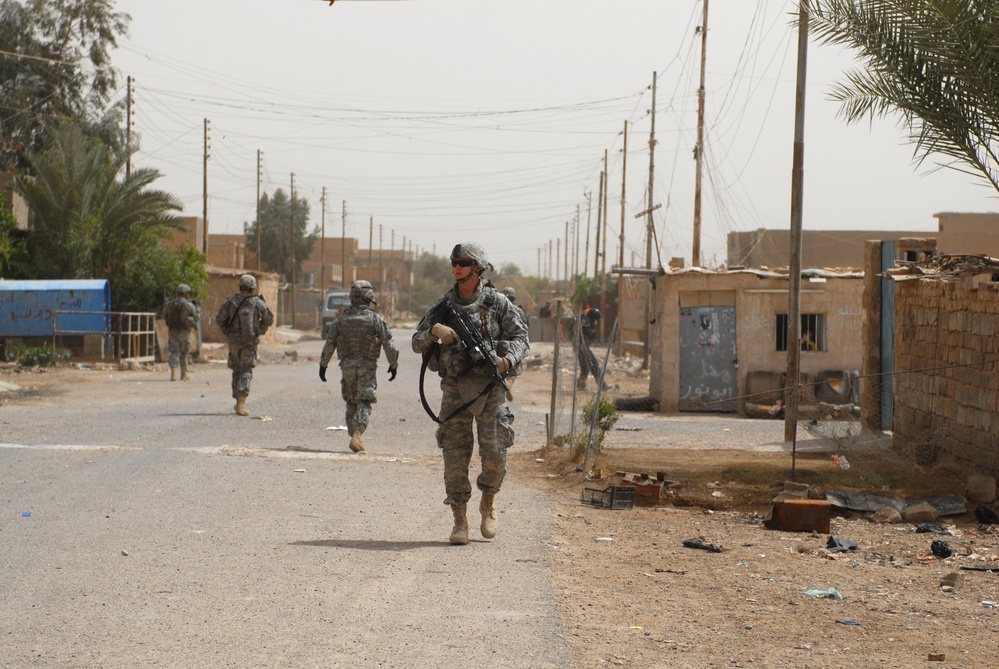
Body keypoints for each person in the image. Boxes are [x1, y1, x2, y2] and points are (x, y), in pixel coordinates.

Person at [412, 242, 529, 546]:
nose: (457, 267)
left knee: (495, 455)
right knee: (454, 454)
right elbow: (416, 341)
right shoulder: (443, 307)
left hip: (490, 388)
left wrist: (507, 361)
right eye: (454, 262)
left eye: (463, 262)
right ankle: (459, 519)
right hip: (454, 389)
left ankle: (488, 502)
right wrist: (434, 332)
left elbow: (521, 338)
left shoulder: (498, 303)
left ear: (478, 268)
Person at [318, 280, 400, 453]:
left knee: (351, 401)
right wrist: (393, 364)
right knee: (364, 401)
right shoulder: (375, 320)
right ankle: (357, 435)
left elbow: (329, 344)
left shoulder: (342, 320)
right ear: (369, 297)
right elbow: (389, 344)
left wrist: (323, 365)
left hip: (347, 367)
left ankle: (354, 435)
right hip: (366, 367)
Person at [214, 274, 274, 416]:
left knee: (236, 369)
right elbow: (269, 319)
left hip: (234, 341)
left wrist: (228, 333)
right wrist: (260, 329)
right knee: (246, 370)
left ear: (240, 286)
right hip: (249, 341)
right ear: (252, 288)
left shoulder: (231, 302)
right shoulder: (257, 303)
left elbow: (219, 319)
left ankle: (237, 401)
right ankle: (241, 404)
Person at [164, 283, 199, 382]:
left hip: (172, 330)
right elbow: (196, 317)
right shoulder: (189, 305)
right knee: (184, 352)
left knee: (174, 351)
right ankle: (184, 374)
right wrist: (198, 310)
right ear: (185, 293)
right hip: (184, 331)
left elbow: (164, 315)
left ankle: (173, 375)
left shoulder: (170, 304)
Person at [573, 305, 602, 390]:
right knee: (594, 364)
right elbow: (584, 333)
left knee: (585, 367)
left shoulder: (585, 320)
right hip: (582, 347)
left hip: (581, 347)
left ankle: (581, 385)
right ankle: (601, 384)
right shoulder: (585, 321)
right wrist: (591, 332)